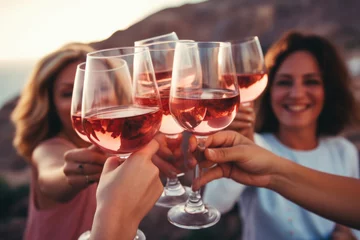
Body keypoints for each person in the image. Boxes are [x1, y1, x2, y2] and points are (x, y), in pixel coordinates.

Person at [203, 31, 360, 239]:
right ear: (268, 92)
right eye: (284, 82)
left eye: (311, 81)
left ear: (328, 90)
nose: (296, 94)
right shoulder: (253, 146)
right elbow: (214, 204)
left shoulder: (342, 151)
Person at [11, 43, 109, 240]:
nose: (87, 99)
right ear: (50, 105)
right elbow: (51, 176)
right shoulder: (48, 149)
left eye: (98, 87)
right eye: (68, 93)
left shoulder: (116, 143)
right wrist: (72, 173)